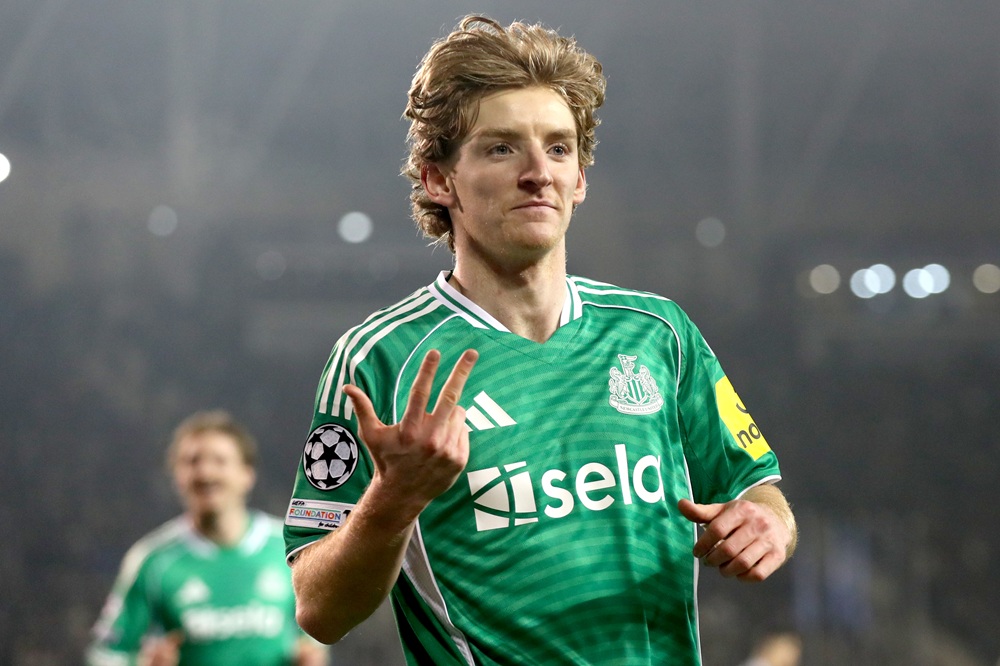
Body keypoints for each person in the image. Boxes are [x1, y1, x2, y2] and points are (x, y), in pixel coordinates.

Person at [284, 15, 797, 665]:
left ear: (580, 179)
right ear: (438, 179)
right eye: (502, 148)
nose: (538, 172)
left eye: (558, 148)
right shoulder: (379, 357)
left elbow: (757, 487)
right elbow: (318, 610)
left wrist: (769, 522)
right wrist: (395, 497)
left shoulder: (658, 332)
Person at [88, 410, 327, 666]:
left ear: (247, 474)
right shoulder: (153, 561)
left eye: (219, 461)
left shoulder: (288, 548)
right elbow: (104, 653)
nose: (205, 473)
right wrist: (141, 663)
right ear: (176, 476)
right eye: (192, 462)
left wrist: (311, 655)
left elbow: (316, 637)